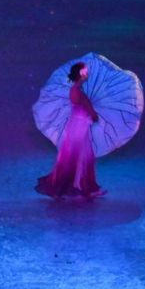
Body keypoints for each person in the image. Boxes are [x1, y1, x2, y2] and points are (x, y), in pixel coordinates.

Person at [36, 62, 104, 198]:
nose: (87, 73)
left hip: (77, 125)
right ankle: (81, 187)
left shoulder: (75, 90)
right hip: (79, 126)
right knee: (79, 156)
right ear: (80, 74)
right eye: (85, 71)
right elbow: (85, 109)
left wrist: (90, 114)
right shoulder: (77, 91)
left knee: (76, 156)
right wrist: (92, 114)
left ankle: (80, 187)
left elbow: (82, 108)